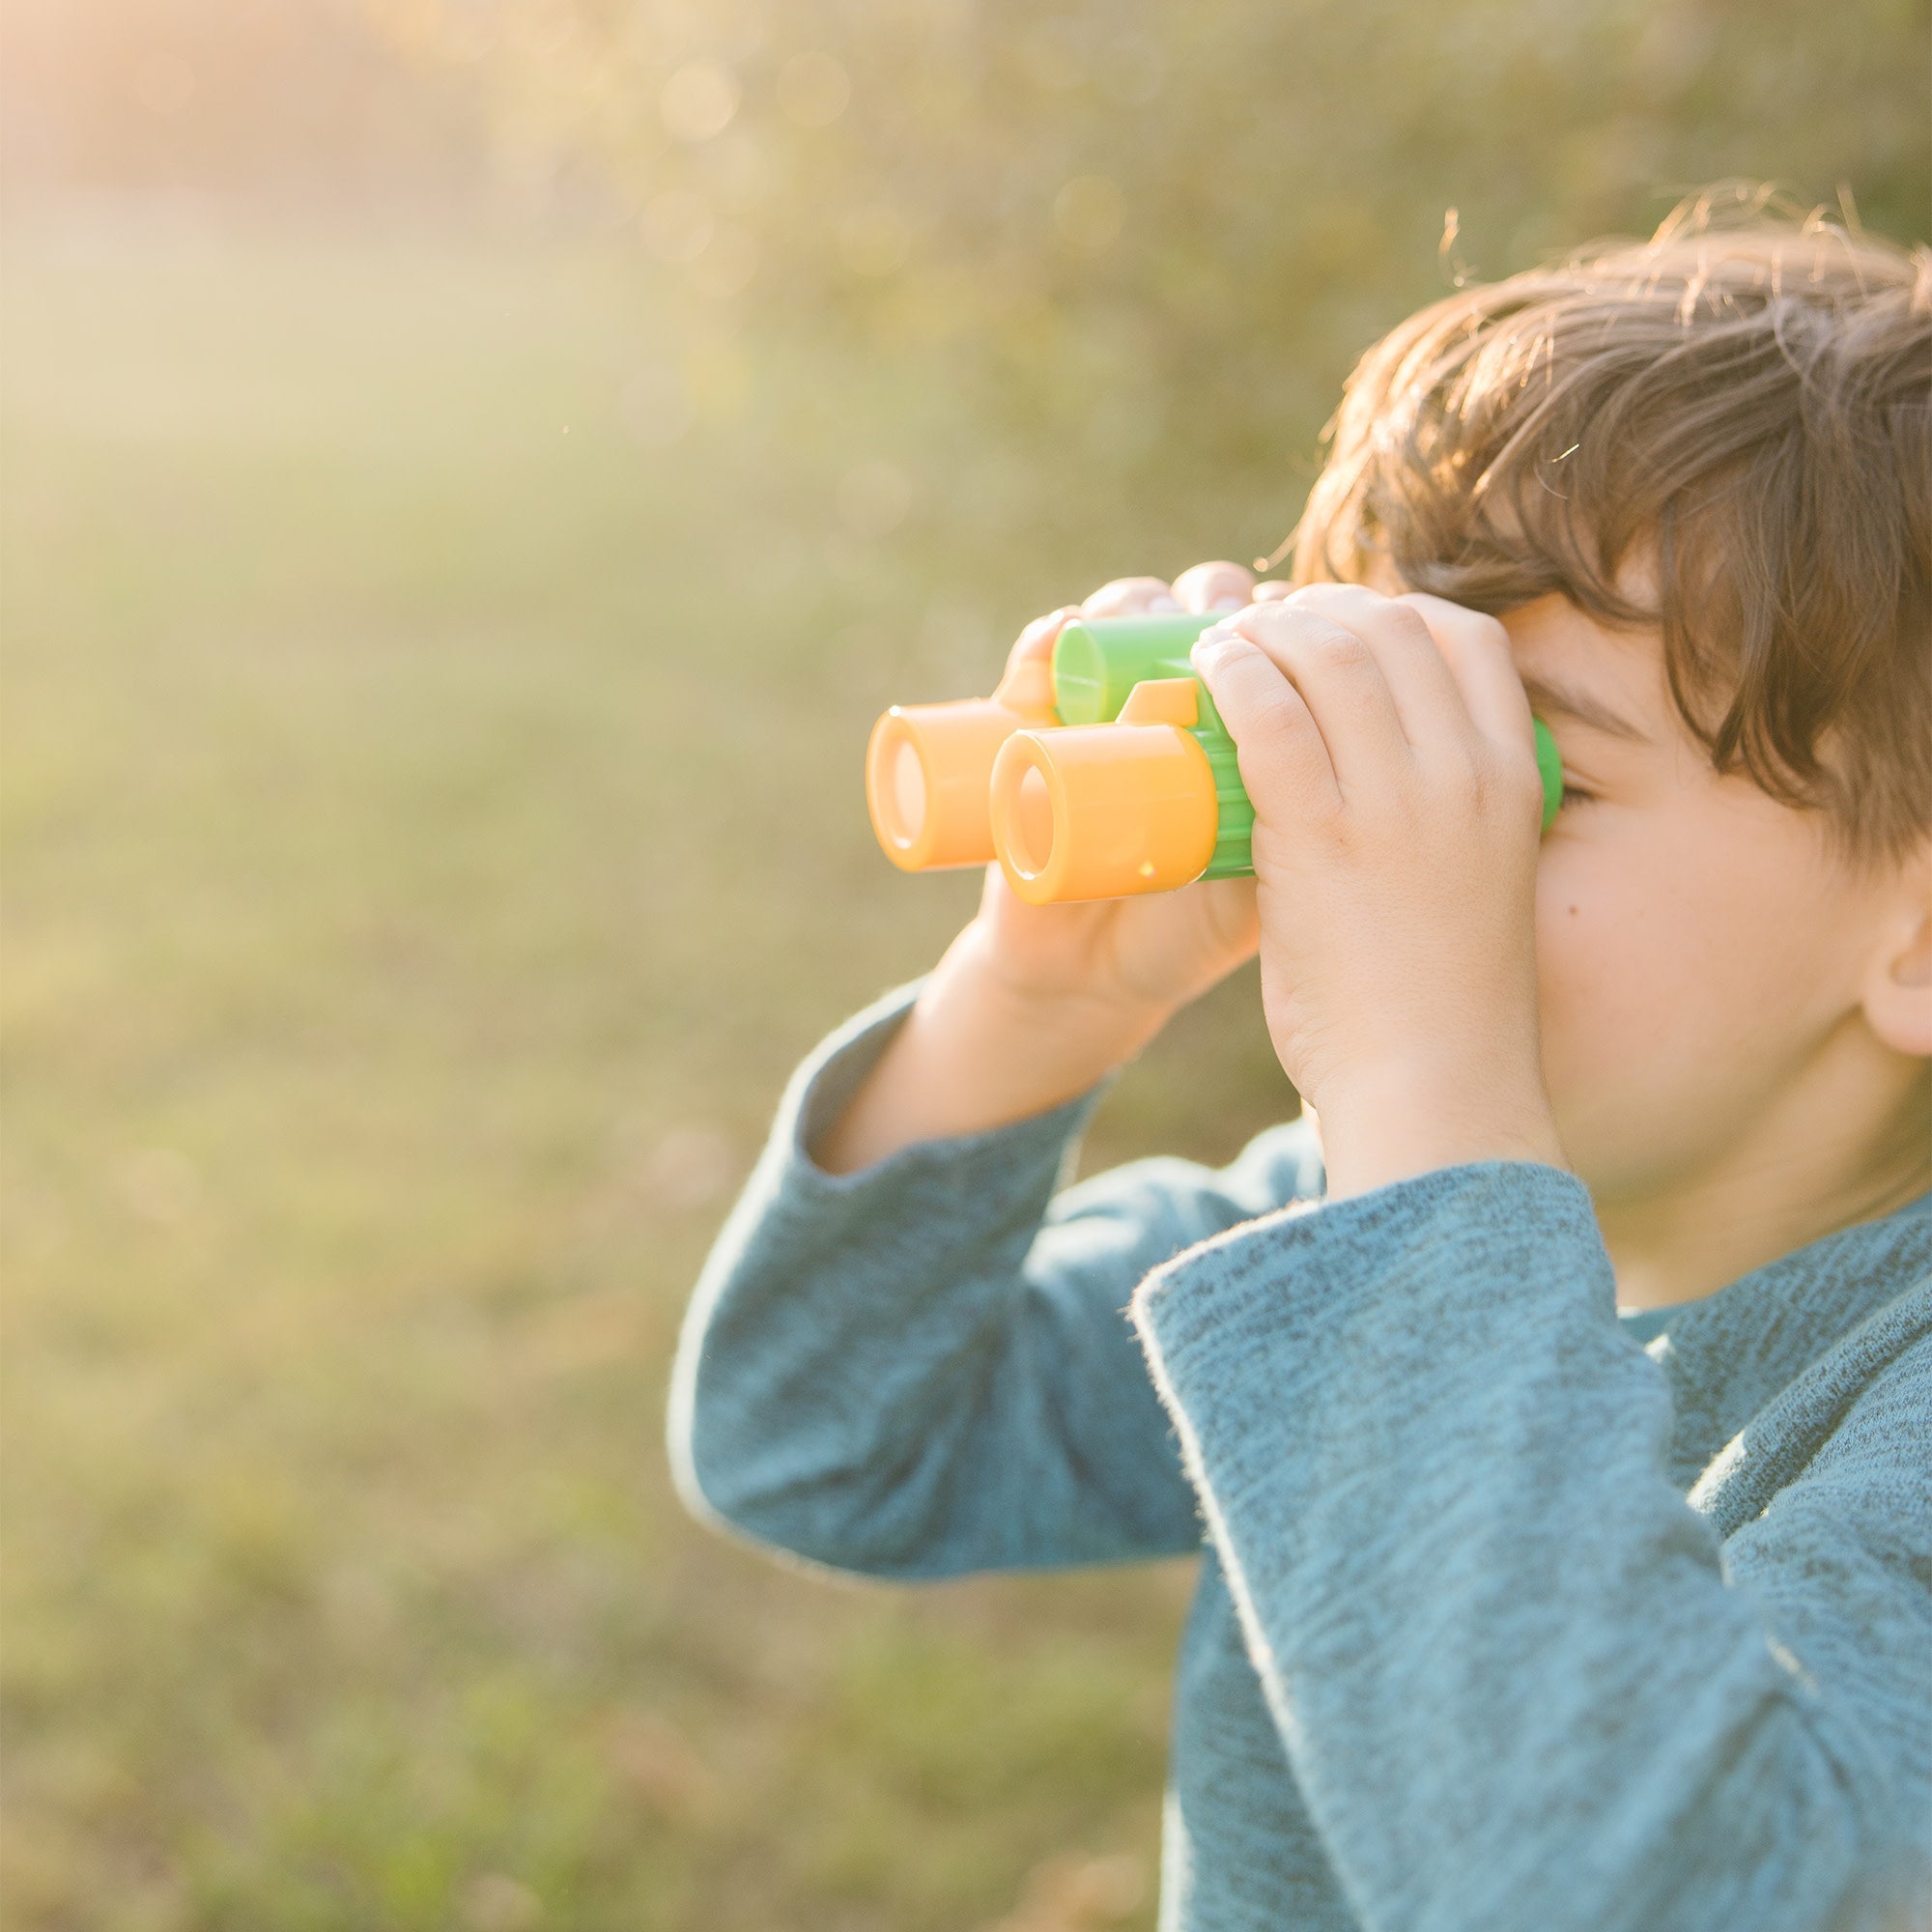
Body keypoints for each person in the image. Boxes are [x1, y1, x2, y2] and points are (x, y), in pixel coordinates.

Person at [666, 189, 1932, 1930]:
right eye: (1393, 740)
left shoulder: (1883, 1410)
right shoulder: (1328, 1224)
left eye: (1523, 777)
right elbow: (822, 1436)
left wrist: (1426, 1092)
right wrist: (1038, 1007)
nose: (1398, 848)